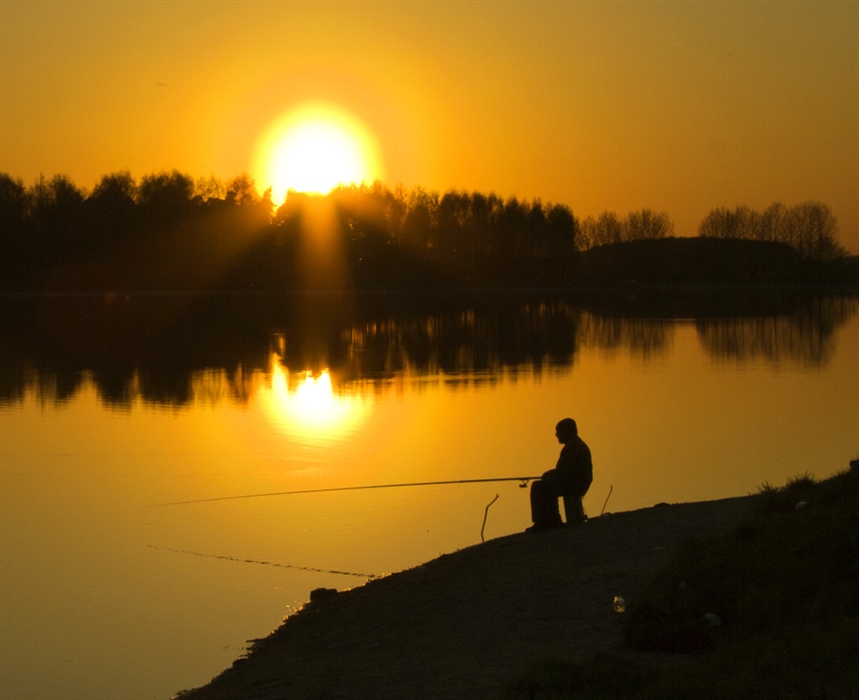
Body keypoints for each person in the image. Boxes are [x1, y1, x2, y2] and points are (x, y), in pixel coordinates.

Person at [527, 418, 593, 532]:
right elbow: (564, 470)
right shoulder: (576, 445)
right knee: (546, 484)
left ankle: (546, 521)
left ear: (567, 431)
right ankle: (550, 519)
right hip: (578, 481)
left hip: (575, 483)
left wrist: (549, 475)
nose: (556, 434)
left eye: (559, 431)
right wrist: (550, 475)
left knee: (539, 487)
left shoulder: (572, 447)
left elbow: (564, 471)